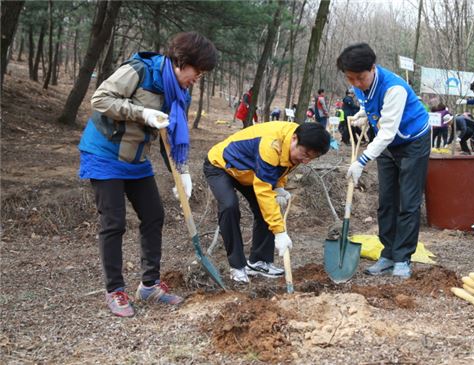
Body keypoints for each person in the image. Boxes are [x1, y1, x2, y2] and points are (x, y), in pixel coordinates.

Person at [78, 32, 217, 317]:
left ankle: (149, 285)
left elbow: (170, 137)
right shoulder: (140, 70)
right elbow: (100, 99)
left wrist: (183, 172)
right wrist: (142, 114)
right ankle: (115, 290)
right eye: (197, 72)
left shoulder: (179, 93)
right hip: (105, 154)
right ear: (181, 62)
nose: (197, 79)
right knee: (114, 222)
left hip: (137, 160)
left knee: (154, 215)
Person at [337, 43, 430, 279]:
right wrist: (362, 114)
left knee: (408, 202)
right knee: (386, 201)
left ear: (373, 68)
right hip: (387, 143)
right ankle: (388, 254)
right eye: (350, 79)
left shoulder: (394, 89)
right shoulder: (359, 85)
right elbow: (368, 103)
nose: (356, 83)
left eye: (360, 78)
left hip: (412, 141)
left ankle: (403, 258)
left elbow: (388, 132)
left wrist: (361, 161)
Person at [203, 122, 330, 284]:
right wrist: (279, 232)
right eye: (305, 155)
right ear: (294, 138)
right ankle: (237, 266)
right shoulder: (271, 144)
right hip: (221, 165)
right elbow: (263, 191)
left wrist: (279, 187)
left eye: (311, 158)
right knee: (229, 206)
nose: (305, 161)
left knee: (267, 207)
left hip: (249, 171)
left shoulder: (299, 141)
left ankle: (259, 262)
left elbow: (282, 166)